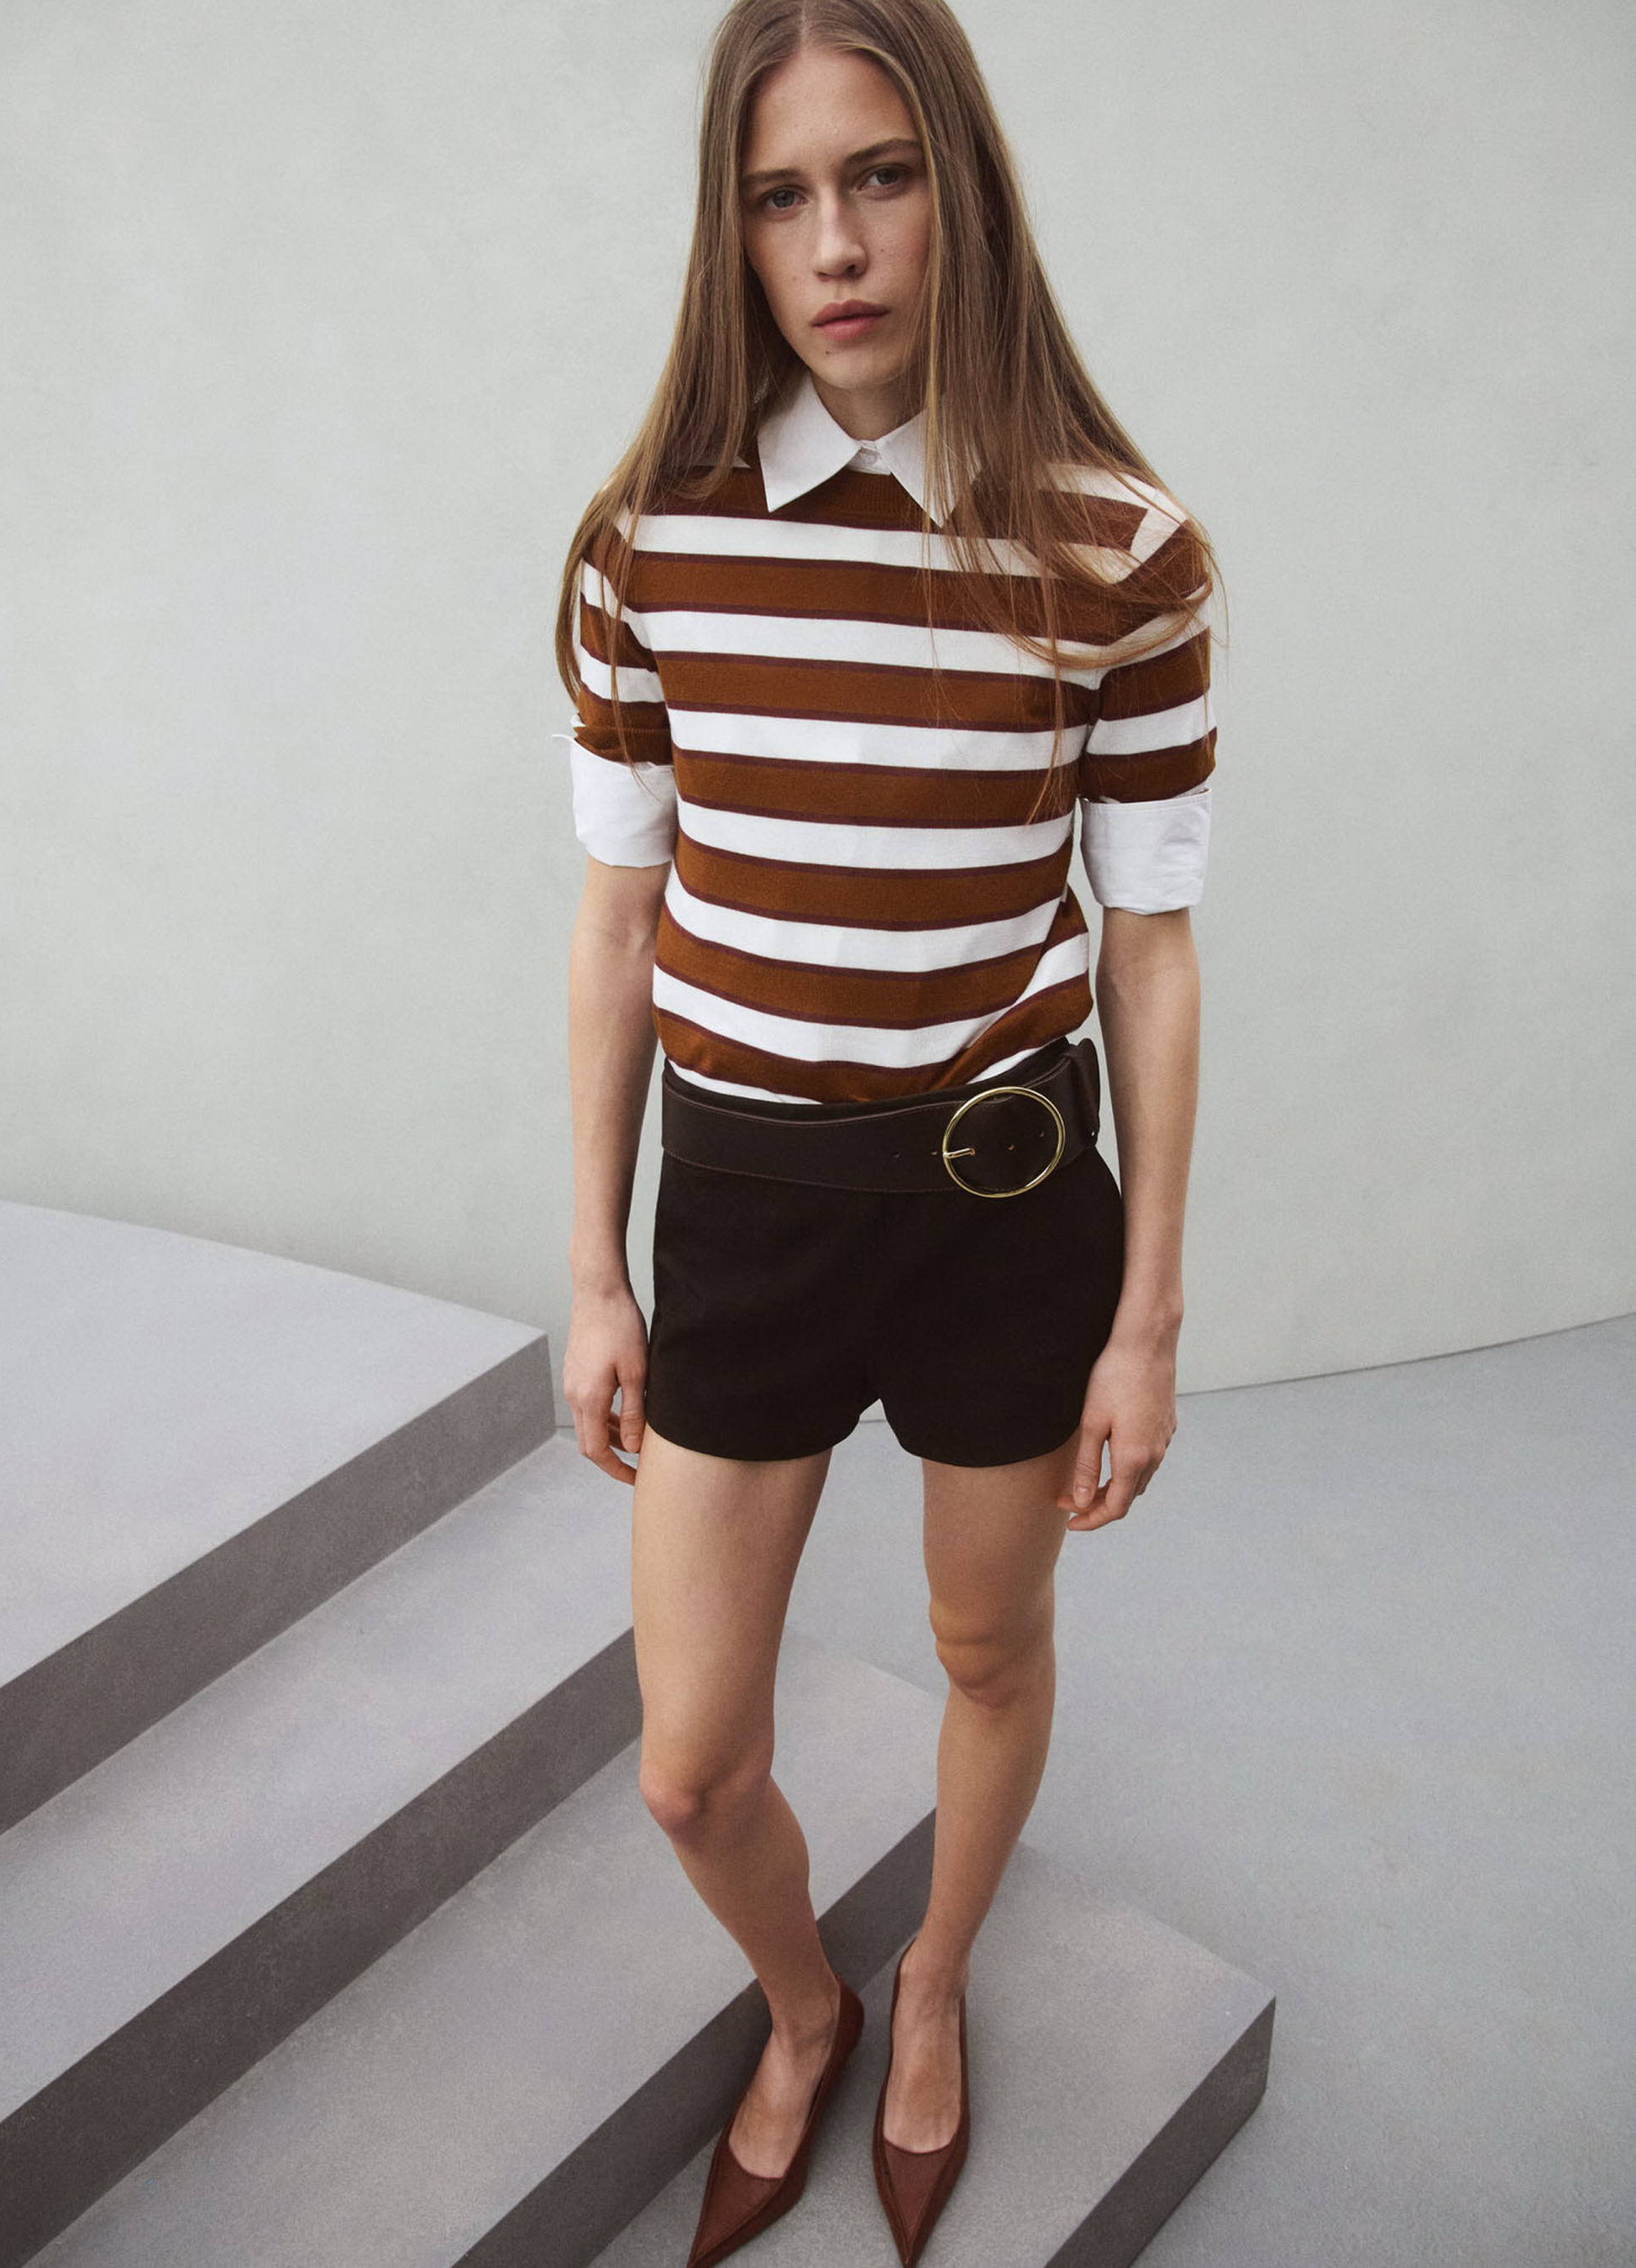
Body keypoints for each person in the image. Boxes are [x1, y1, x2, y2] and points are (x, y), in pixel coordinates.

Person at [553, 3, 1216, 2260]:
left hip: (1000, 1209)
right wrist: (594, 1267)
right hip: (743, 1206)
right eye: (778, 195)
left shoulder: (1118, 551)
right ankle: (805, 2000)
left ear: (962, 192)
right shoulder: (647, 548)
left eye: (880, 175)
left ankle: (929, 1983)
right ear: (729, 234)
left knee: (985, 1653)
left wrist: (1143, 1321)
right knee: (687, 1763)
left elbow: (1147, 952)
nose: (832, 243)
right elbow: (617, 920)